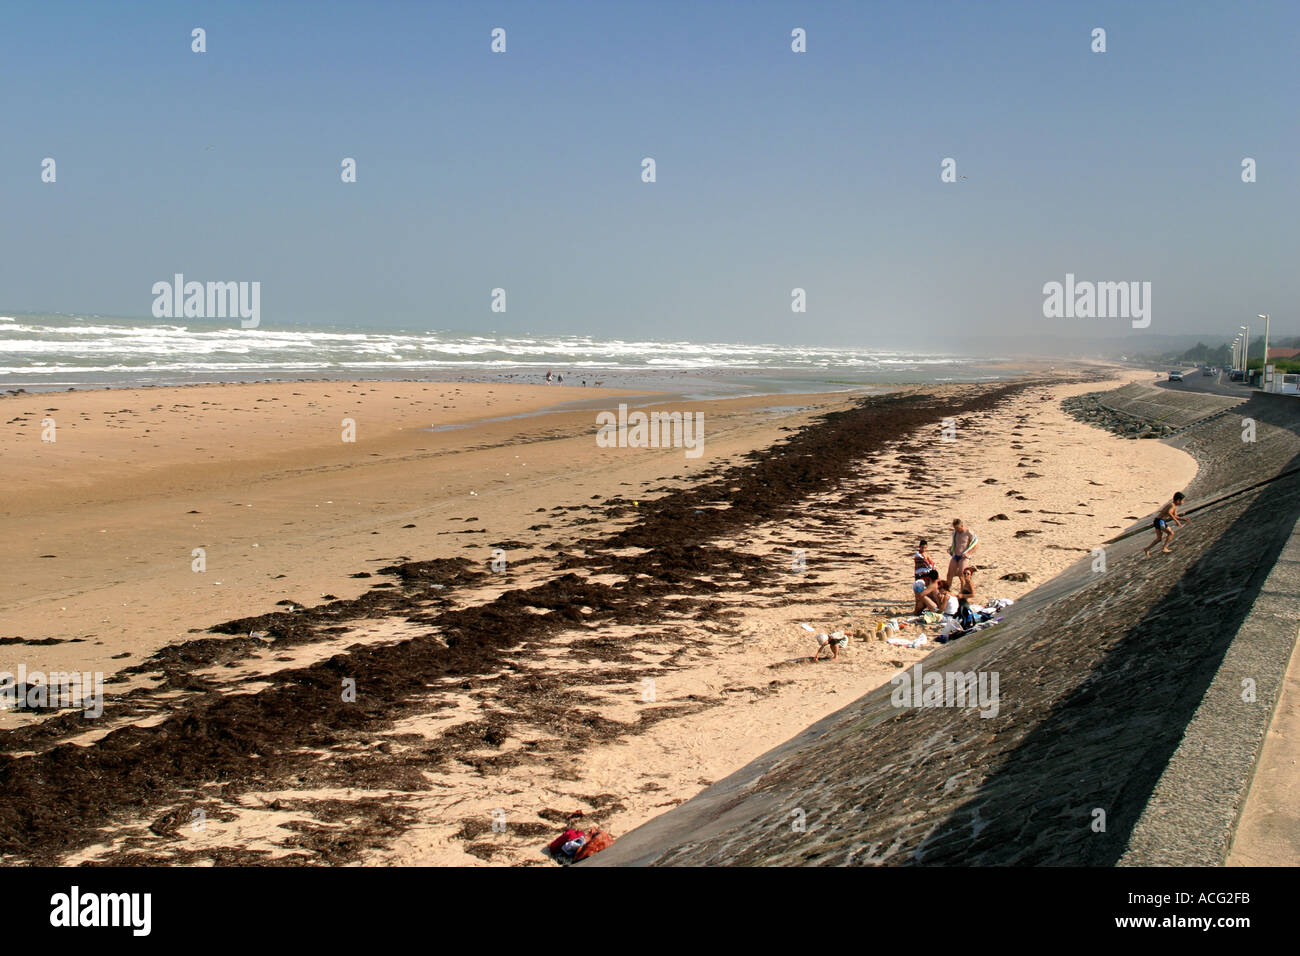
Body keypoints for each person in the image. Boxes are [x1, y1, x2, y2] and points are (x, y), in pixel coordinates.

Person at [1145, 492, 1188, 557]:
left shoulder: (1174, 506)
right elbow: (1169, 513)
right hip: (1160, 521)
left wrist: (1183, 519)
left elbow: (1175, 516)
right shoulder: (1172, 505)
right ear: (1178, 500)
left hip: (1157, 521)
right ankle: (1164, 548)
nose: (1183, 502)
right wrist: (1177, 522)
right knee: (1171, 533)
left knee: (1159, 538)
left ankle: (1147, 549)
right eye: (1182, 500)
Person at [946, 519, 979, 588]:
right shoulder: (955, 533)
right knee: (949, 574)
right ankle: (947, 590)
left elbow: (976, 544)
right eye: (955, 528)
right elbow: (956, 544)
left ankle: (963, 592)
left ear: (962, 526)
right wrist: (950, 549)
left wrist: (969, 553)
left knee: (962, 575)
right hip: (955, 555)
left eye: (958, 528)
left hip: (964, 557)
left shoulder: (968, 533)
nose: (956, 530)